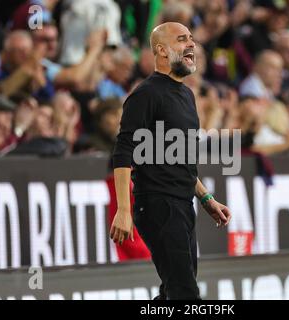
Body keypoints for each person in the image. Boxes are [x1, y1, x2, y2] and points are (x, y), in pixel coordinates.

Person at [110, 22, 231, 300]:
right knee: (185, 293)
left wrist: (205, 198)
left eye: (191, 39)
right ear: (162, 51)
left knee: (173, 291)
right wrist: (124, 210)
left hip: (182, 205)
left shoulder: (187, 96)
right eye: (181, 40)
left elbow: (180, 160)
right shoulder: (146, 94)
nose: (191, 44)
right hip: (157, 205)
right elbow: (124, 151)